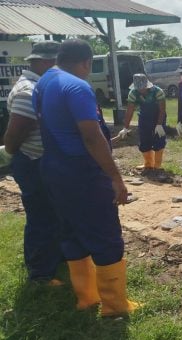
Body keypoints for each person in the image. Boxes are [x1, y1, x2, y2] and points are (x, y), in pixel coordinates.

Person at [33, 39, 139, 316]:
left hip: (54, 170)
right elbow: (91, 137)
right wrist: (116, 177)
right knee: (106, 236)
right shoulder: (77, 86)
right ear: (87, 63)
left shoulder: (43, 83)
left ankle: (87, 298)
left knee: (71, 233)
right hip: (82, 173)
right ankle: (115, 306)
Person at [3, 41, 63, 285]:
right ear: (47, 63)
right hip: (32, 162)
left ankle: (54, 259)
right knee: (41, 217)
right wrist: (11, 151)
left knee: (53, 213)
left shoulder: (39, 85)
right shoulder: (29, 90)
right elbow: (15, 133)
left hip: (41, 161)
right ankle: (40, 273)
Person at [117, 74, 167, 170]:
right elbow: (129, 110)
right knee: (144, 140)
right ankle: (148, 164)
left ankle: (157, 166)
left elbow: (162, 109)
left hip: (158, 117)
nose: (141, 90)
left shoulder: (158, 91)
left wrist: (159, 124)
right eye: (139, 88)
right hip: (144, 117)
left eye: (143, 88)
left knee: (158, 140)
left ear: (146, 85)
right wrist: (125, 127)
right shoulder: (133, 93)